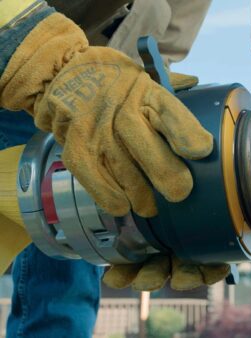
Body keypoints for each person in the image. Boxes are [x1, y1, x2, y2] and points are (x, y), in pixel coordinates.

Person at [0, 0, 228, 336]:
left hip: (88, 92)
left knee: (67, 291)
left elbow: (162, 36)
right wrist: (39, 53)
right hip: (29, 56)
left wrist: (137, 133)